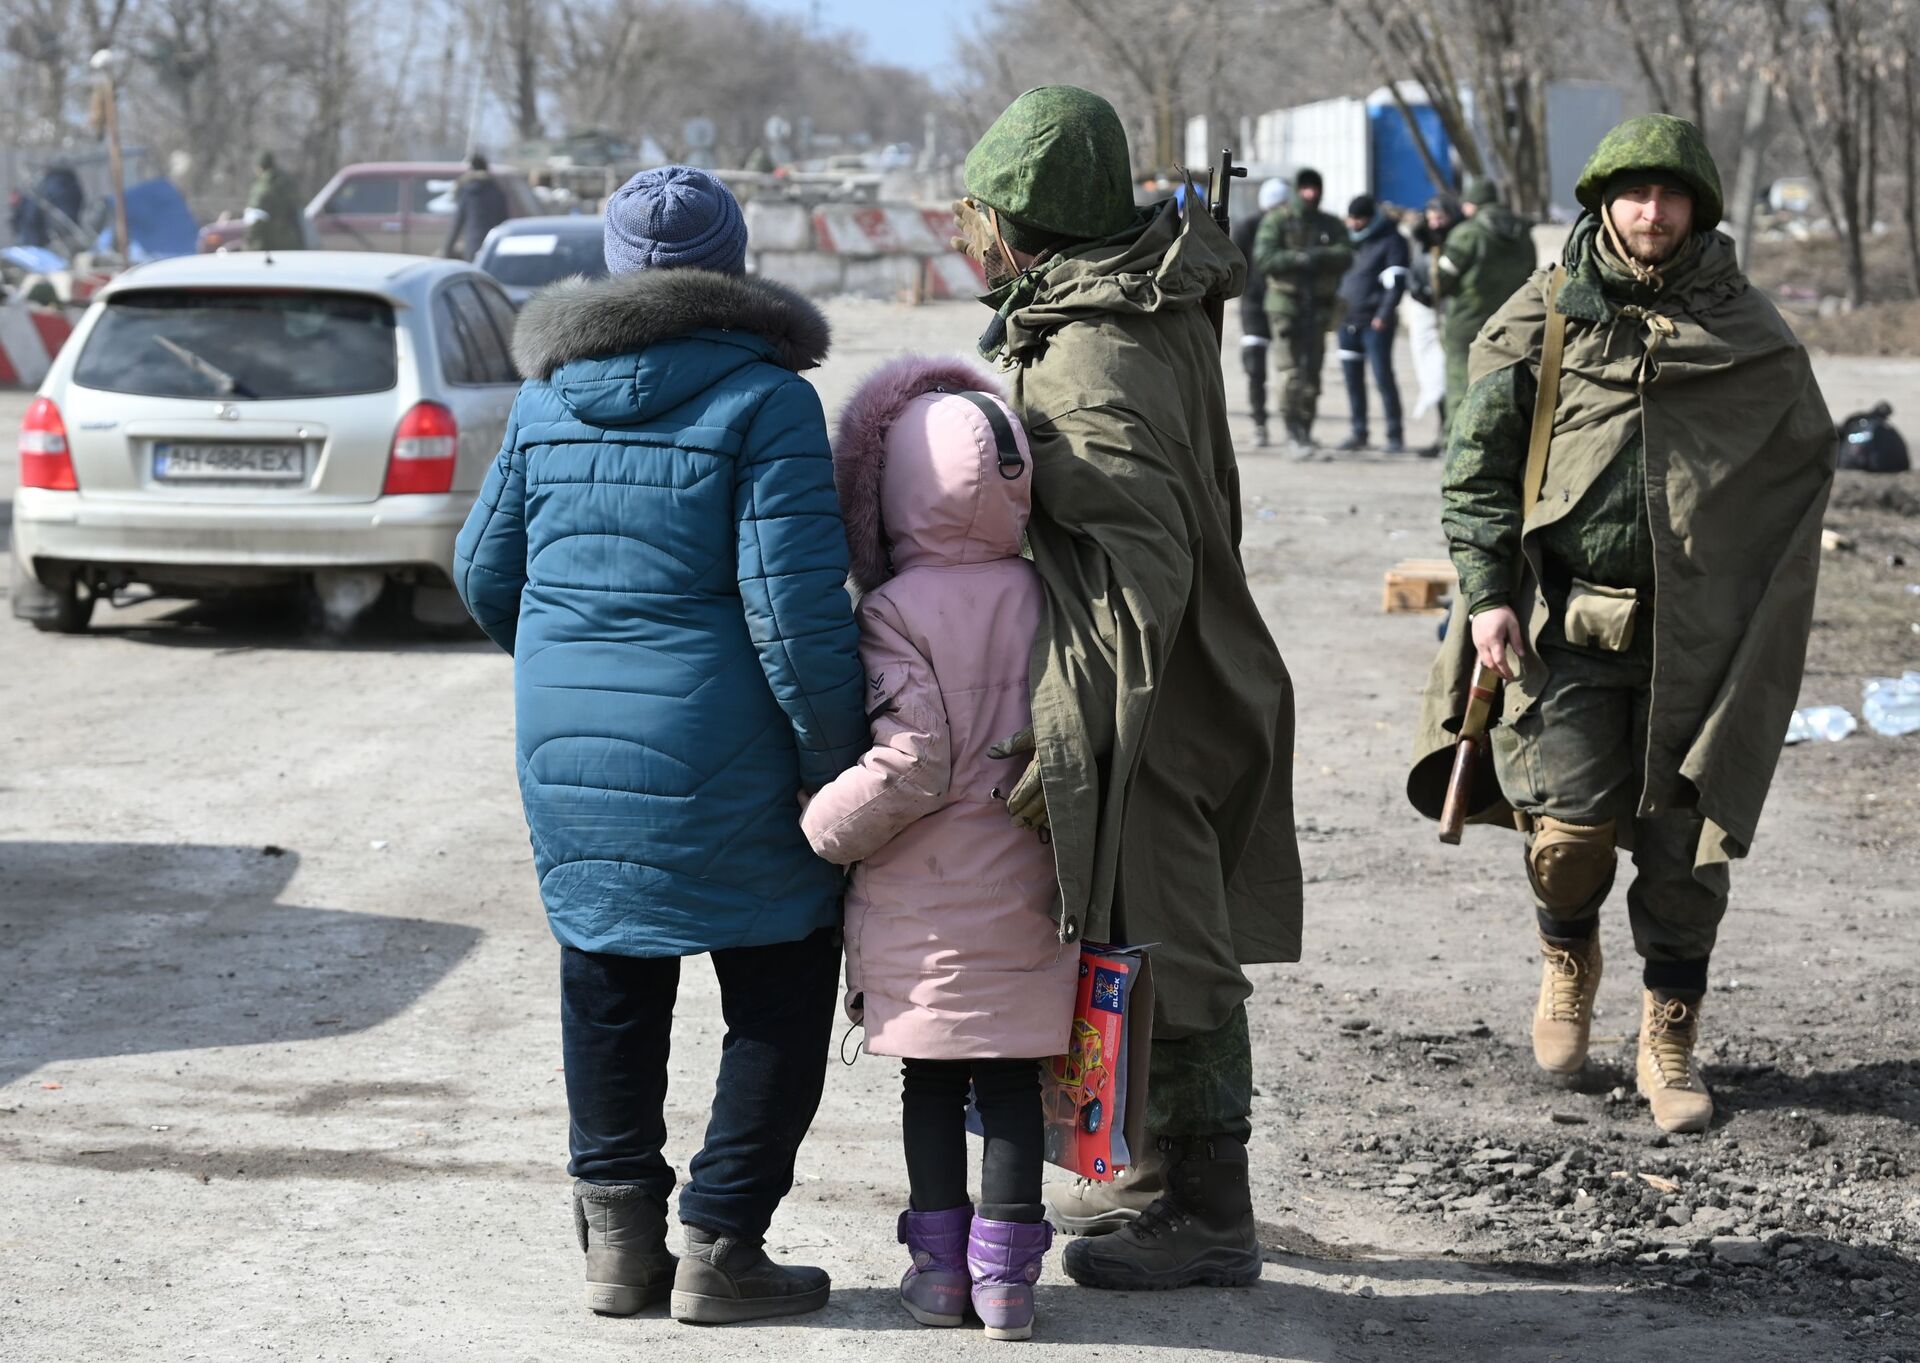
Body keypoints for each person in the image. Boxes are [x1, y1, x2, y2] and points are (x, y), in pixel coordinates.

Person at [453, 165, 868, 1323]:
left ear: (612, 265)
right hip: (728, 738)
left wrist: (565, 667)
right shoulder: (767, 400)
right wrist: (841, 762)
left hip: (570, 736)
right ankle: (723, 1244)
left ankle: (621, 1247)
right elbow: (792, 613)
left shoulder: (547, 399)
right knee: (782, 979)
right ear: (732, 265)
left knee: (609, 977)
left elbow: (483, 575)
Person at [1410, 116, 1835, 1134]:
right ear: (1602, 203)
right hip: (1567, 625)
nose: (1651, 213)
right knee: (1567, 837)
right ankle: (1568, 959)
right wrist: (1489, 592)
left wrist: (1761, 613)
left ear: (1700, 208)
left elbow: (1800, 474)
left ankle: (1669, 1030)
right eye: (1632, 194)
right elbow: (1477, 466)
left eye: (1671, 195)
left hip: (1705, 641)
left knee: (1686, 850)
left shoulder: (1752, 335)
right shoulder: (1547, 314)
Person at [953, 84, 1302, 1292]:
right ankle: (1162, 1186)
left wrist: (1078, 735)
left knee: (1174, 945)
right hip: (1169, 673)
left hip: (1147, 693)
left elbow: (1137, 569)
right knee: (1148, 939)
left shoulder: (1098, 350)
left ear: (1024, 223)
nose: (968, 232)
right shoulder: (1112, 309)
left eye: (981, 211)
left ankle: (1209, 1212)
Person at [801, 356, 1079, 1341]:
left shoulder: (894, 610)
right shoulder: (1048, 594)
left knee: (932, 1080)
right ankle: (1009, 1286)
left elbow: (912, 764)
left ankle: (939, 1275)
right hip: (1033, 885)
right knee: (1010, 1079)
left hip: (923, 898)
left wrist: (822, 825)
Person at [1253, 167, 1352, 458]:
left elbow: (1346, 253)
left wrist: (1319, 256)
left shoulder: (1329, 224)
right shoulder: (1278, 221)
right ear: (1297, 190)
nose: (1311, 194)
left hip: (1319, 308)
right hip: (1286, 306)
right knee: (1291, 373)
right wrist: (1297, 259)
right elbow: (1264, 257)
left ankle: (1306, 430)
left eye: (1315, 188)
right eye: (1305, 188)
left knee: (1313, 374)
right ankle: (1293, 431)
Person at [1436, 175, 1536, 416]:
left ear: (1472, 204)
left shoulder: (1467, 233)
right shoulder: (1522, 234)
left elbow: (1441, 280)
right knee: (1505, 385)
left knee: (1461, 381)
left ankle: (1455, 440)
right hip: (1511, 321)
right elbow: (1533, 278)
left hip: (1467, 320)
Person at [1333, 194, 1410, 453]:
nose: (1353, 224)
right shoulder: (1348, 241)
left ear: (1370, 218)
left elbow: (1396, 284)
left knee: (1382, 377)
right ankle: (1358, 432)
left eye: (1358, 219)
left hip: (1375, 323)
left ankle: (1395, 435)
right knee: (1352, 380)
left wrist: (1384, 315)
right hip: (1347, 321)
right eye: (1351, 218)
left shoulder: (1392, 240)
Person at [1231, 178, 1290, 447]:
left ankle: (1294, 425)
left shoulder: (1292, 228)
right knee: (1256, 368)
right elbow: (1236, 264)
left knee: (1290, 368)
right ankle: (1259, 422)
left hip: (1285, 304)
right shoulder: (1247, 227)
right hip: (1254, 305)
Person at [1408, 193, 1463, 456]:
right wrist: (1417, 289)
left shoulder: (1458, 240)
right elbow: (1415, 272)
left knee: (1449, 375)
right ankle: (1442, 432)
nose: (1434, 223)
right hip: (1427, 310)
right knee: (1432, 372)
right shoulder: (1422, 242)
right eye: (1431, 218)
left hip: (1452, 312)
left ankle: (1450, 435)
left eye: (1439, 218)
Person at [442, 152, 510, 260]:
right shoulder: (497, 190)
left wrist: (447, 249)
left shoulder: (467, 190)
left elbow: (458, 222)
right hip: (493, 246)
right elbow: (504, 221)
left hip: (473, 245)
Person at [245, 152, 305, 251]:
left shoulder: (263, 186)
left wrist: (249, 244)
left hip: (269, 244)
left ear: (260, 167)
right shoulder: (288, 182)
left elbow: (256, 216)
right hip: (292, 241)